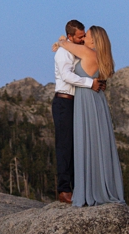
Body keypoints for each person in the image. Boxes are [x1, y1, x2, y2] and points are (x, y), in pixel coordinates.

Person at [53, 25, 125, 206]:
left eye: (87, 35)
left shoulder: (85, 51)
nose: (84, 37)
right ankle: (95, 187)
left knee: (83, 144)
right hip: (96, 101)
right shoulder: (103, 57)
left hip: (85, 101)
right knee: (96, 144)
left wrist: (61, 41)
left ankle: (81, 190)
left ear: (93, 40)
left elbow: (64, 43)